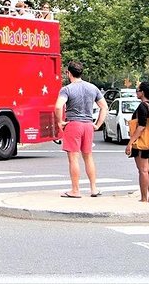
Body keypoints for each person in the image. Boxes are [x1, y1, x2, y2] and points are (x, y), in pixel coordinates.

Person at [54, 61, 108, 198]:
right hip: (88, 125)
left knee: (73, 158)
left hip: (73, 124)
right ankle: (94, 188)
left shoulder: (67, 89)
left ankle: (75, 190)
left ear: (68, 73)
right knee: (88, 157)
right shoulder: (92, 88)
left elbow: (58, 106)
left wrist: (60, 121)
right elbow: (104, 107)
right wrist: (97, 124)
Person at [125, 82, 149, 203]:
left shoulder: (142, 106)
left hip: (142, 142)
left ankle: (144, 198)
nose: (136, 92)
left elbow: (141, 127)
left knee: (143, 171)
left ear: (142, 92)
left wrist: (130, 142)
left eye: (137, 90)